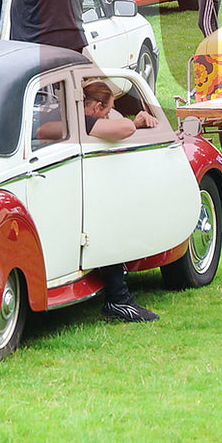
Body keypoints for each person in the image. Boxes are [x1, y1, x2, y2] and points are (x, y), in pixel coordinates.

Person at [77, 80, 163, 322]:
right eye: (106, 110)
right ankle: (118, 299)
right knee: (109, 220)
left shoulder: (64, 117)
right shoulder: (84, 122)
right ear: (95, 107)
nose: (106, 115)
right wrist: (132, 123)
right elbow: (123, 129)